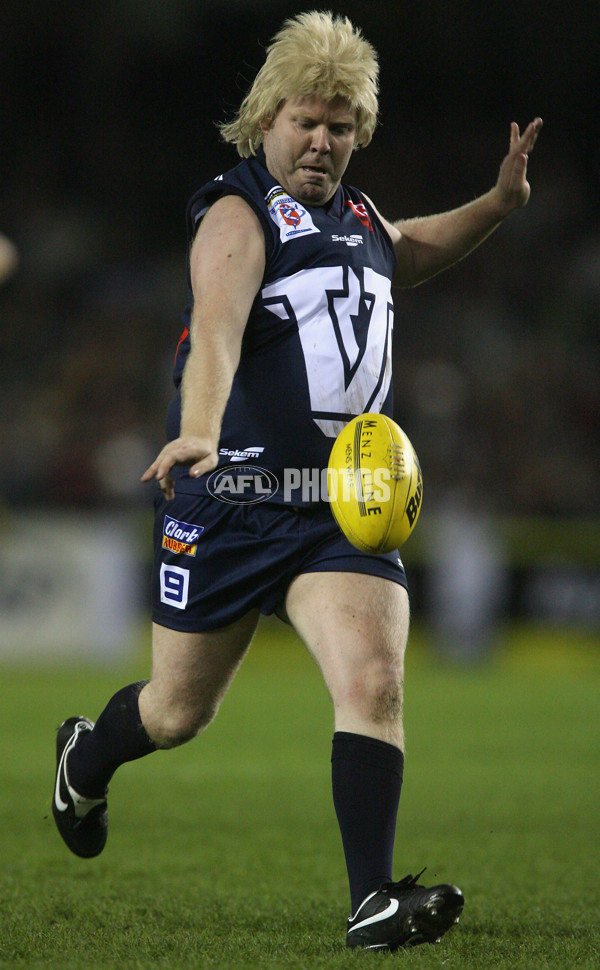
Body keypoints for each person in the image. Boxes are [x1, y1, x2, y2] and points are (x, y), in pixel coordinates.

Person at [52, 11, 542, 952]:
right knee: (175, 712)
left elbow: (409, 253)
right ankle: (87, 754)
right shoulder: (236, 215)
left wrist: (495, 205)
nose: (323, 141)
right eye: (307, 121)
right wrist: (198, 431)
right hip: (229, 500)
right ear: (266, 117)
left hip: (336, 509)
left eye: (343, 125)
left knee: (372, 680)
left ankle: (372, 901)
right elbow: (218, 331)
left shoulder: (357, 217)